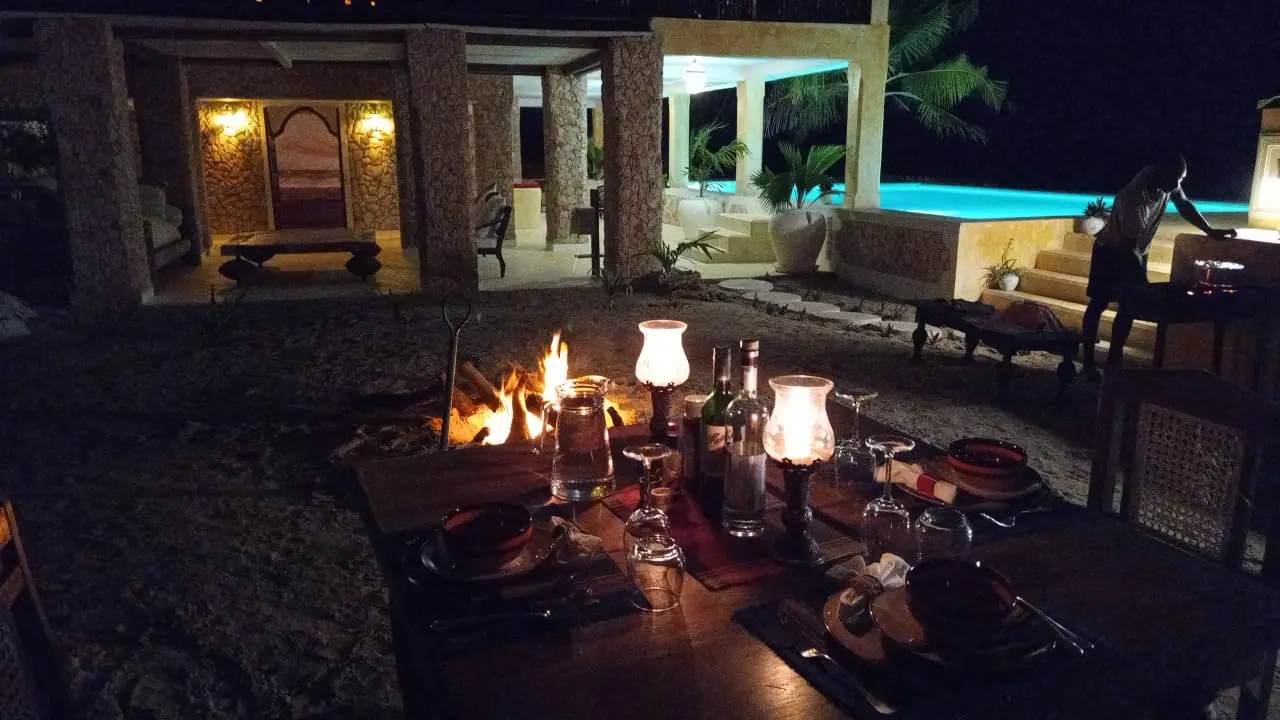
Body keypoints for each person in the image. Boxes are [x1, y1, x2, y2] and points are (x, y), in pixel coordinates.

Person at [1080, 155, 1236, 379]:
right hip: (1111, 252)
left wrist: (1210, 231)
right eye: (1174, 179)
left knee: (1128, 306)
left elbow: (1183, 204)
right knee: (1098, 304)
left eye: (1180, 180)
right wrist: (1146, 286)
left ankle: (1114, 362)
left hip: (1136, 250)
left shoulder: (1167, 182)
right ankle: (1087, 363)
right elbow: (1129, 249)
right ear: (1158, 174)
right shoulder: (1134, 199)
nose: (1177, 185)